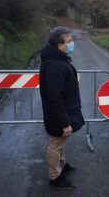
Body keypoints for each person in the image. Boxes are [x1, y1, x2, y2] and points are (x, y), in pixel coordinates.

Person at [39, 27, 85, 189]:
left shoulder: (58, 60)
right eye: (69, 41)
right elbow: (55, 98)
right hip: (58, 116)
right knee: (56, 144)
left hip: (61, 114)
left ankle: (62, 165)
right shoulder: (54, 66)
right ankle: (55, 177)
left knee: (60, 142)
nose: (72, 44)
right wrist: (65, 122)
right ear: (59, 45)